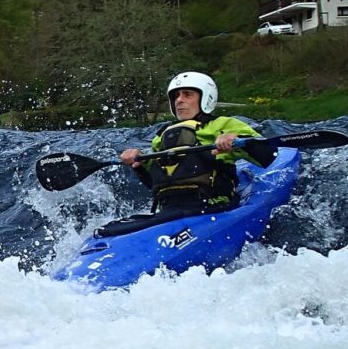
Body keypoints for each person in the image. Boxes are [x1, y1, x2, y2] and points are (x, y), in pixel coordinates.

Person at [101, 71, 277, 236]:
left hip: (213, 207)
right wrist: (138, 164)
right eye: (176, 96)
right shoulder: (161, 137)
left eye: (187, 94)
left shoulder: (224, 124)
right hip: (170, 212)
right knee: (108, 231)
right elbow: (159, 183)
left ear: (206, 97)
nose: (179, 100)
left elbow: (268, 156)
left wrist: (237, 140)